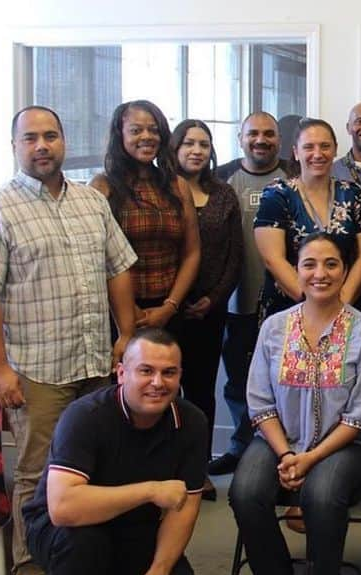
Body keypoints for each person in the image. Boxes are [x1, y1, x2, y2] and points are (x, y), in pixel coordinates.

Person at [0, 106, 138, 575]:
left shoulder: (91, 203)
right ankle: (33, 573)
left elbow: (119, 268)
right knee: (37, 475)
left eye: (51, 136)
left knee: (100, 466)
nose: (42, 145)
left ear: (64, 141)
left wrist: (126, 334)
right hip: (37, 370)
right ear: (14, 145)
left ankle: (96, 561)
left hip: (95, 364)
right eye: (31, 138)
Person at [229, 233, 361, 575]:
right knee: (245, 492)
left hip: (347, 444)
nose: (321, 273)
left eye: (331, 264)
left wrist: (311, 457)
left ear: (346, 271)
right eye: (309, 264)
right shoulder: (273, 327)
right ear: (296, 271)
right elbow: (260, 402)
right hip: (278, 439)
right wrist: (286, 453)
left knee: (320, 494)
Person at [21, 328, 207, 575]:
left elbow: (184, 509)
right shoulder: (85, 417)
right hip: (65, 529)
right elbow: (63, 508)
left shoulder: (193, 422)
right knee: (84, 544)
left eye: (169, 372)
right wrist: (152, 490)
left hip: (136, 528)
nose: (158, 382)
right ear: (121, 374)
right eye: (145, 371)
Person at [211, 111, 295, 476]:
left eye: (269, 134)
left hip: (286, 302)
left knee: (284, 381)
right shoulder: (222, 178)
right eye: (253, 134)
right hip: (236, 302)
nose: (261, 140)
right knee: (239, 382)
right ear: (241, 138)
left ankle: (283, 451)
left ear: (280, 140)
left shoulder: (294, 174)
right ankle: (242, 446)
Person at [170, 119, 243, 500]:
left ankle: (198, 471)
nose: (196, 150)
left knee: (201, 393)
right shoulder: (161, 191)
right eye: (188, 143)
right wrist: (174, 302)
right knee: (162, 390)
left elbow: (235, 256)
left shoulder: (223, 194)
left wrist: (213, 299)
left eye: (203, 143)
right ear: (175, 148)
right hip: (163, 311)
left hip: (208, 311)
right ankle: (164, 470)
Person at [90, 100, 200, 339]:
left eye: (154, 129)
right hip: (118, 313)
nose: (147, 136)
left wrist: (169, 307)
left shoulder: (177, 185)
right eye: (136, 130)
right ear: (120, 136)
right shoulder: (102, 187)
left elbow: (191, 253)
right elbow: (96, 260)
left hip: (171, 309)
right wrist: (128, 311)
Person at [253, 118, 361, 320]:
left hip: (345, 309)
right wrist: (315, 305)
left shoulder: (353, 194)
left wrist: (340, 304)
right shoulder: (277, 195)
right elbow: (273, 259)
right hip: (289, 310)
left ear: (335, 150)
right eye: (308, 147)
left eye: (325, 146)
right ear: (296, 152)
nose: (318, 154)